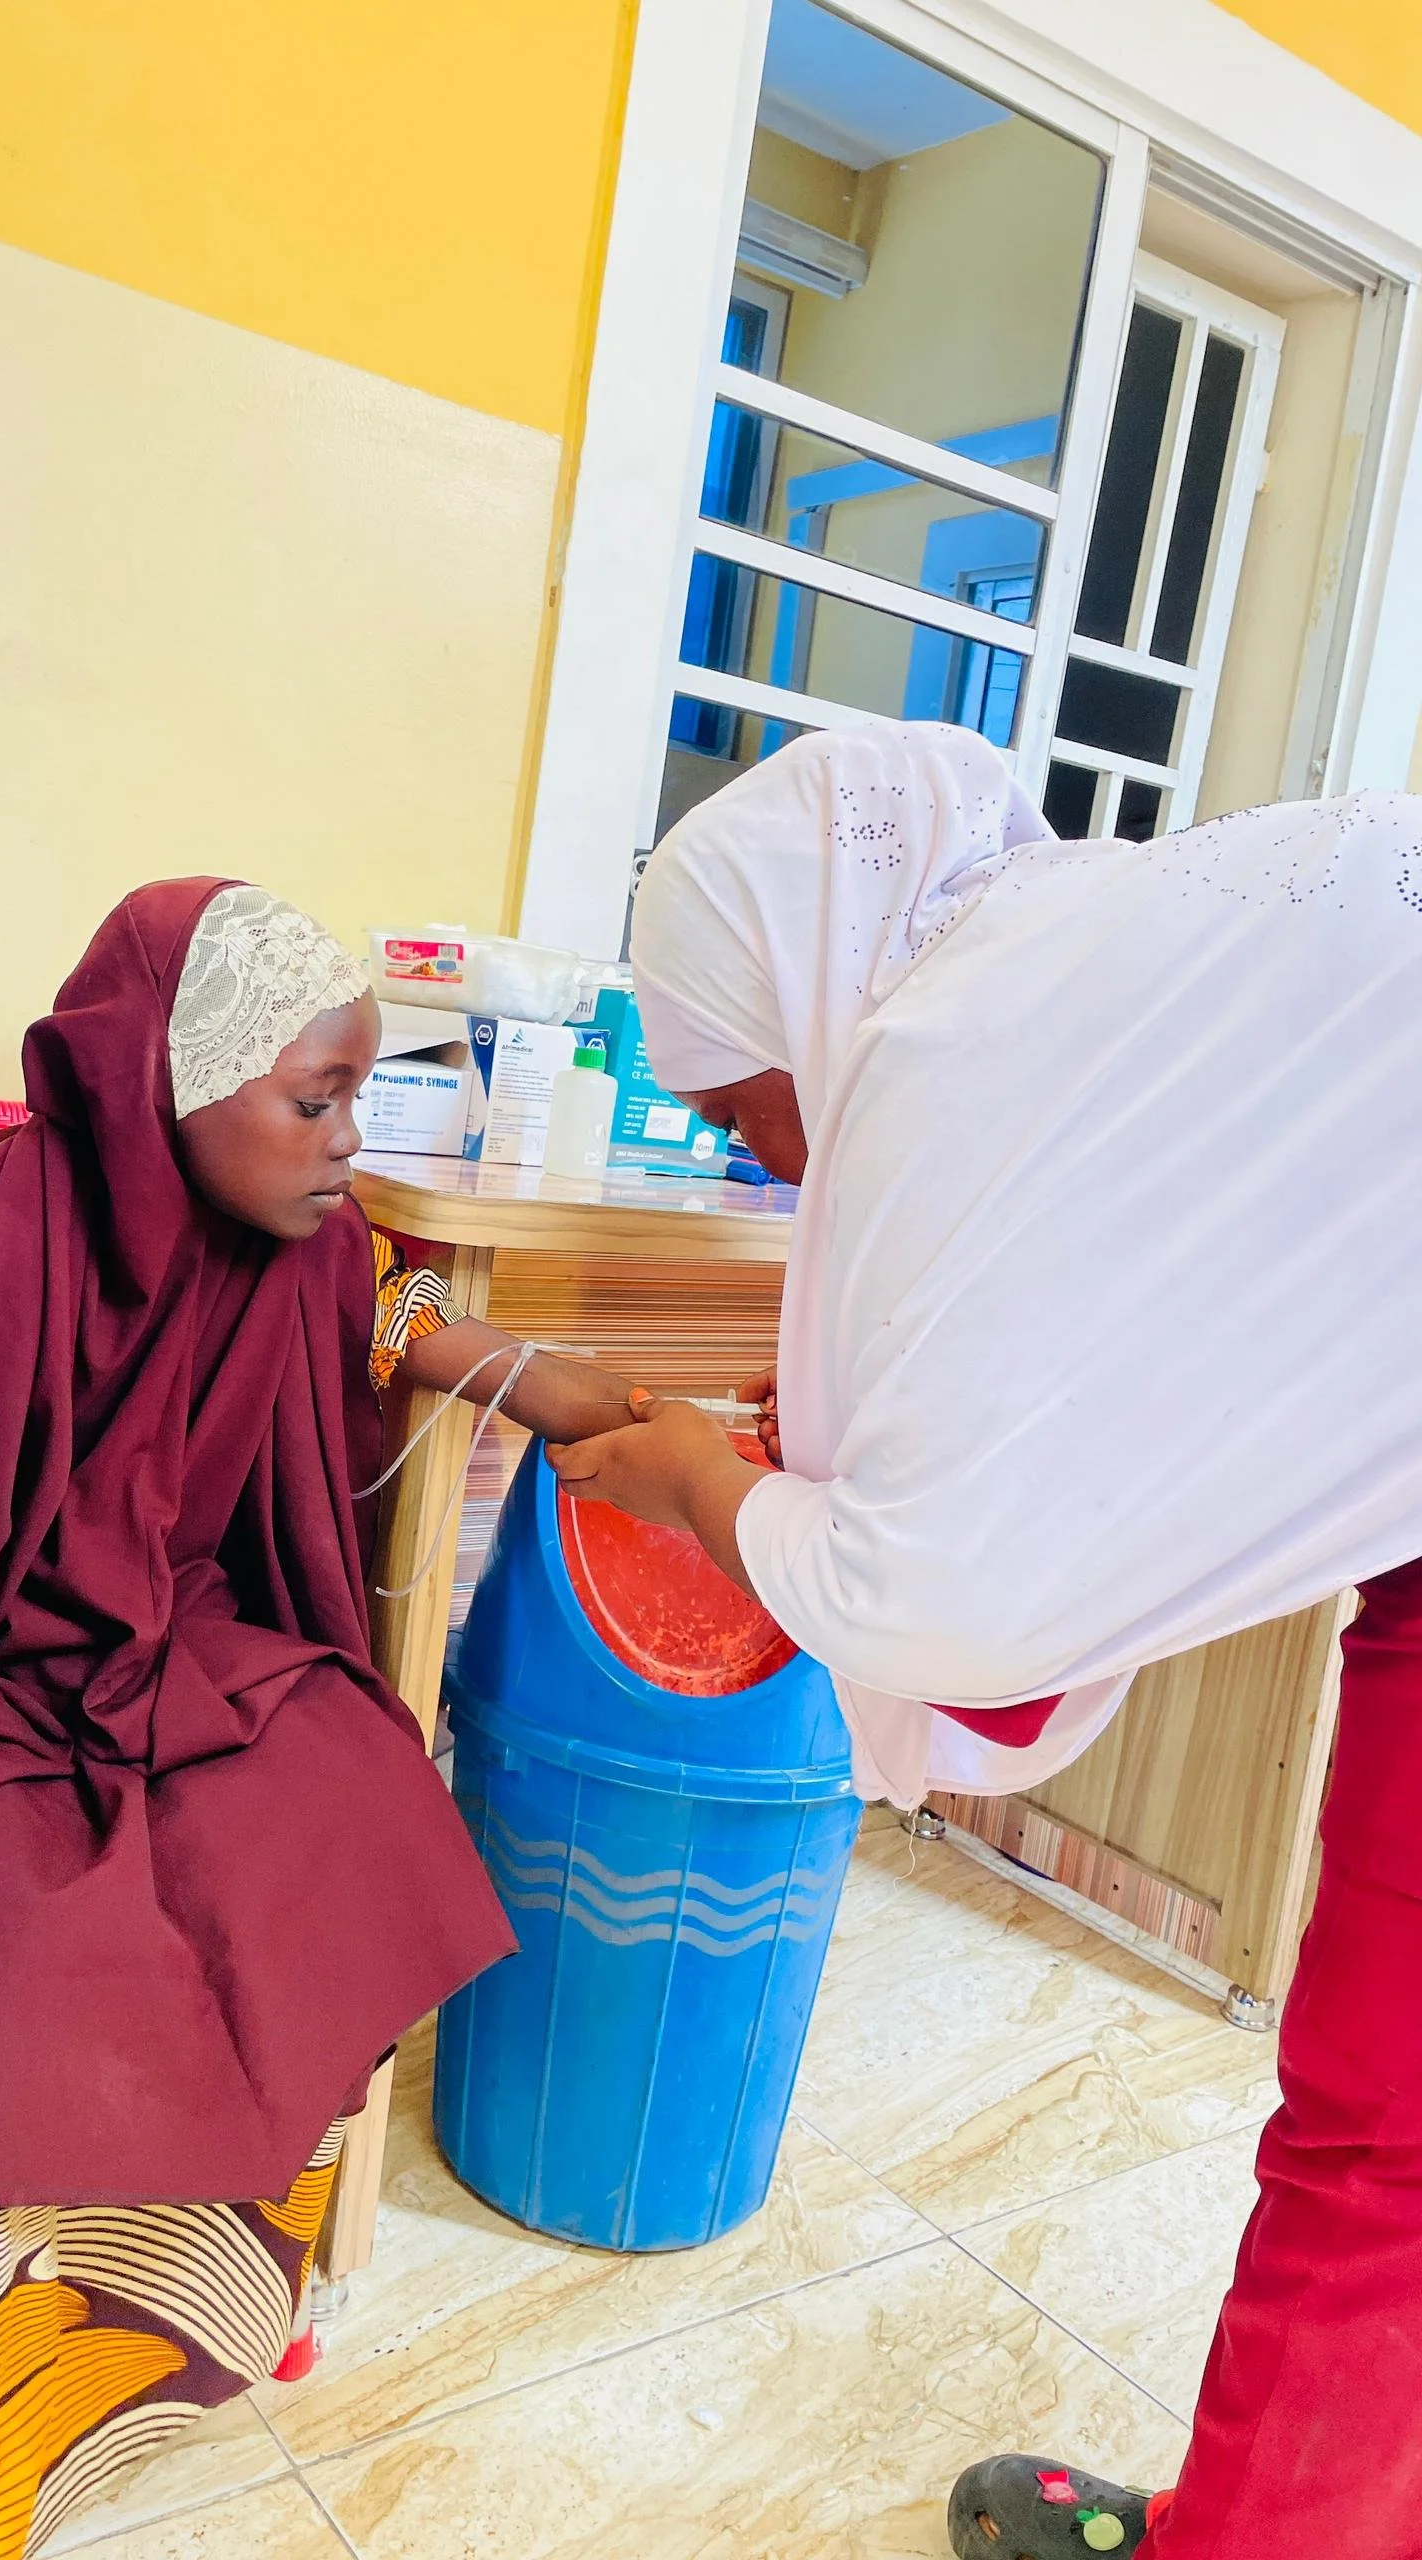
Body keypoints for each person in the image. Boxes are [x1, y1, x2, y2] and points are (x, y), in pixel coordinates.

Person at [0, 879, 636, 2560]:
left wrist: (518, 1368)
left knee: (347, 1800)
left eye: (358, 1095)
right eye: (316, 1100)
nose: (347, 1141)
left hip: (159, 1638)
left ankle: (201, 2320)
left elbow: (383, 1306)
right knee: (3, 1925)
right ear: (166, 1075)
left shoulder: (306, 1248)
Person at [550, 723, 1422, 2559]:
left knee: (1386, 2140)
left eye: (737, 1110)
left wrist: (715, 1489)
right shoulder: (1084, 963)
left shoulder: (952, 1054)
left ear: (796, 993)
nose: (765, 1161)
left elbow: (944, 1610)